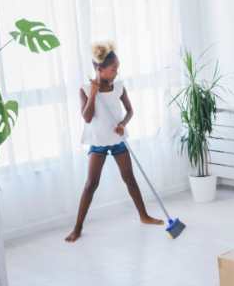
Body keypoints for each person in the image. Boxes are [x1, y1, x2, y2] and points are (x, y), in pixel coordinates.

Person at [65, 41, 162, 242]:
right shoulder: (85, 89)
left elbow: (130, 111)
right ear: (100, 69)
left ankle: (144, 216)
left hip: (117, 139)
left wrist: (123, 124)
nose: (117, 72)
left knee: (130, 179)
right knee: (91, 184)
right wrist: (93, 93)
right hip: (98, 141)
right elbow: (87, 117)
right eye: (113, 68)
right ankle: (77, 228)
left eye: (117, 68)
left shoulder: (119, 87)